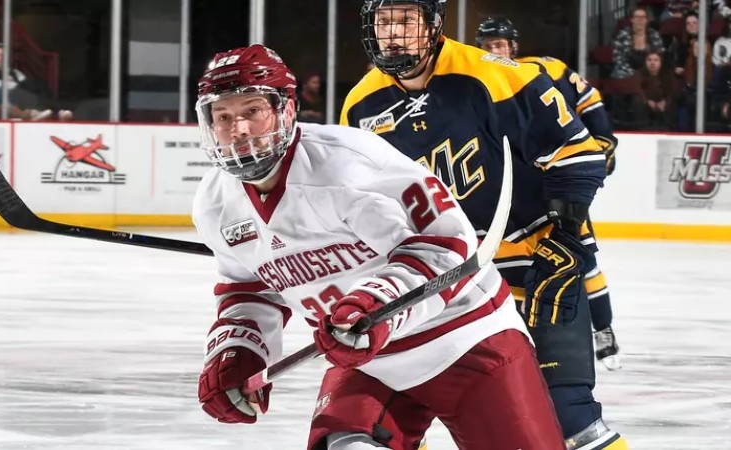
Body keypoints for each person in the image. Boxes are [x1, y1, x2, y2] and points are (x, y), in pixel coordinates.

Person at [193, 44, 567, 450]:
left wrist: (376, 303)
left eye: (252, 110)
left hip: (467, 339)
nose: (239, 129)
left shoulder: (348, 163)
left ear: (285, 109)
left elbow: (447, 244)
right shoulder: (215, 203)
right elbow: (250, 288)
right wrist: (239, 350)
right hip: (368, 362)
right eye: (223, 116)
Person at [341, 1, 627, 449]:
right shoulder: (360, 105)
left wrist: (567, 238)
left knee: (569, 420)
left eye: (406, 20)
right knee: (381, 424)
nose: (393, 33)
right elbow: (363, 203)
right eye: (383, 22)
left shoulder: (497, 76)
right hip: (444, 283)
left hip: (534, 265)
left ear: (434, 25)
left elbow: (578, 155)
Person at [475, 16, 622, 369]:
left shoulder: (546, 69)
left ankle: (603, 328)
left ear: (514, 46)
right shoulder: (475, 80)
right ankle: (524, 345)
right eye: (489, 46)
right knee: (510, 270)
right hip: (512, 189)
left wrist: (602, 139)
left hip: (554, 181)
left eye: (500, 44)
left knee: (581, 257)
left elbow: (588, 100)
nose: (495, 50)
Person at [611, 6, 664, 79]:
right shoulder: (622, 35)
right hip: (626, 72)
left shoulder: (654, 35)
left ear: (647, 20)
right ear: (631, 20)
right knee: (619, 73)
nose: (640, 20)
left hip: (649, 71)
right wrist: (633, 73)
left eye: (643, 17)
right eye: (637, 17)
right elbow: (618, 59)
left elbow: (659, 56)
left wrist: (645, 72)